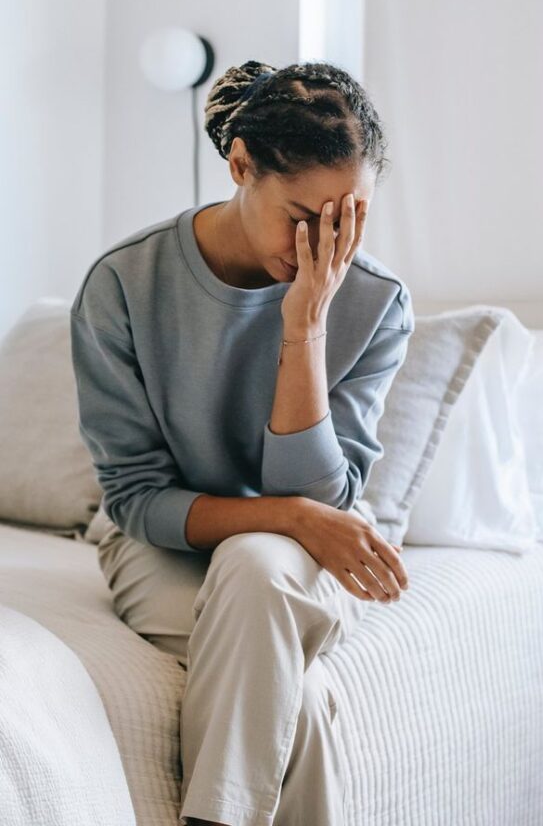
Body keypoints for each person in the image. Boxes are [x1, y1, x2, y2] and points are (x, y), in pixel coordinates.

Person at [70, 59, 414, 826]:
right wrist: (285, 517)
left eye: (346, 219)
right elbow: (136, 500)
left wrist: (305, 326)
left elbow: (324, 498)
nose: (321, 246)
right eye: (301, 215)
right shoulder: (124, 284)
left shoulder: (375, 303)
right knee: (303, 692)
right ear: (240, 165)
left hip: (314, 552)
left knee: (258, 571)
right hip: (166, 546)